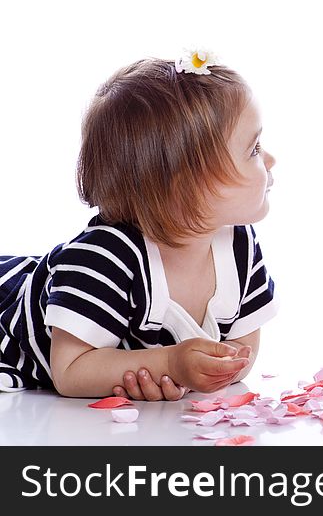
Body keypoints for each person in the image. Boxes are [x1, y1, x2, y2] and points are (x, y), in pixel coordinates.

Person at [0, 51, 278, 400]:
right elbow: (70, 371)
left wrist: (215, 369)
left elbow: (243, 341)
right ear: (186, 188)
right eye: (253, 150)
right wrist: (169, 364)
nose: (270, 159)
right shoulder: (105, 257)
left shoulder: (238, 244)